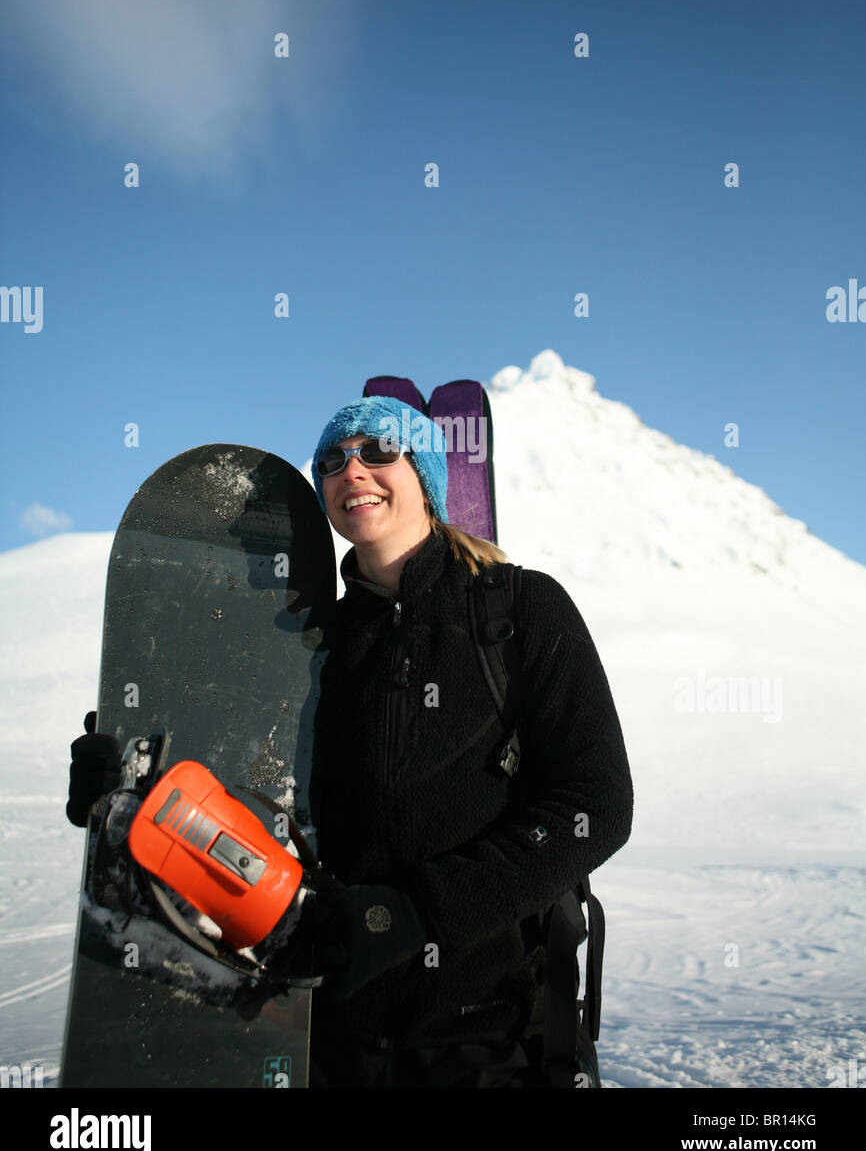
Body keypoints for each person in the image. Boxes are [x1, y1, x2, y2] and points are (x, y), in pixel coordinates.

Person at [67, 395, 634, 1089]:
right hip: (336, 1040)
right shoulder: (313, 643)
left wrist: (413, 913)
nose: (352, 470)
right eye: (332, 460)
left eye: (378, 452)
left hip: (494, 1038)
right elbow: (248, 792)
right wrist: (120, 790)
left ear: (424, 476)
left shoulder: (519, 610)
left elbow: (596, 803)